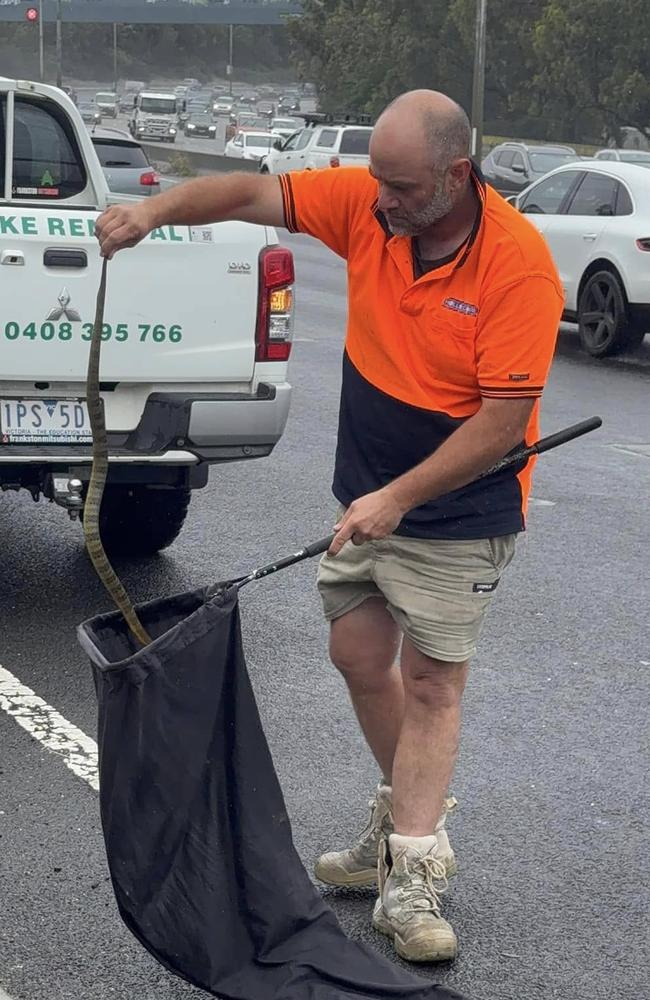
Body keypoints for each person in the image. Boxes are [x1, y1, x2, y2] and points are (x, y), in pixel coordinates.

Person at [95, 89, 564, 965]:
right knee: (356, 656)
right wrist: (153, 211)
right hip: (369, 497)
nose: (379, 199)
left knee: (430, 684)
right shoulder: (370, 205)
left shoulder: (518, 266)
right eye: (377, 180)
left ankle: (416, 877)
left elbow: (503, 420)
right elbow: (244, 196)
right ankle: (397, 829)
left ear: (456, 176)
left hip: (460, 511)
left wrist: (400, 498)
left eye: (400, 184)